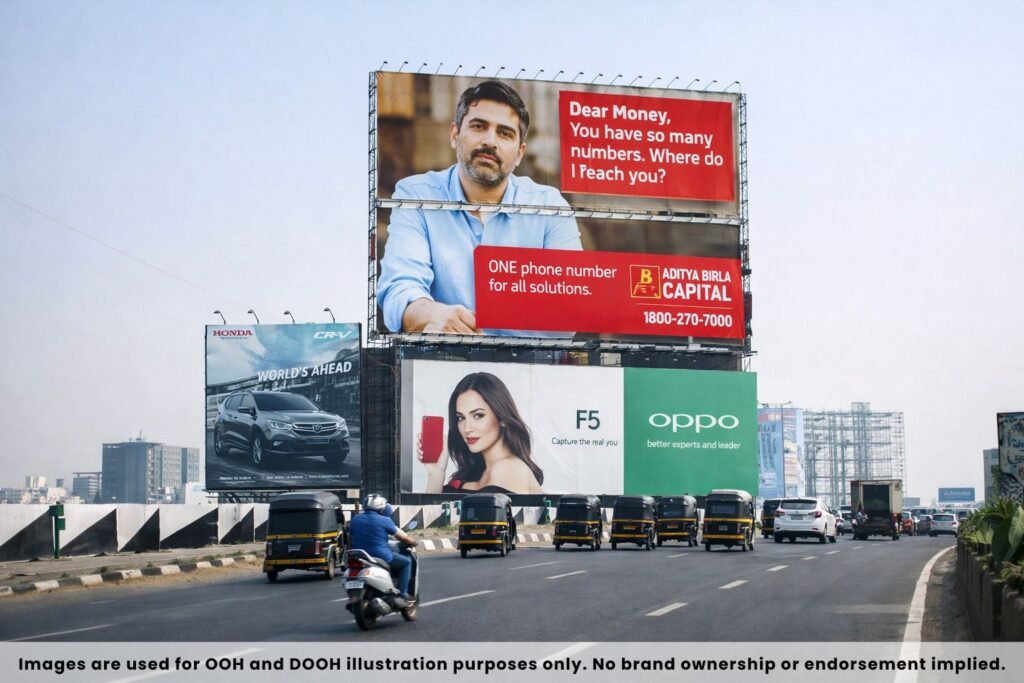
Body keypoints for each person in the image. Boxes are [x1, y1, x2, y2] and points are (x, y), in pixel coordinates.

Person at [377, 80, 582, 336]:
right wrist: (433, 315)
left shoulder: (550, 207)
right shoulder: (416, 195)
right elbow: (400, 289)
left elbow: (569, 313)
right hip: (440, 362)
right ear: (454, 135)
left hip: (530, 368)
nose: (490, 141)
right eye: (478, 126)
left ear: (519, 153)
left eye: (505, 133)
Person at [418, 372, 543, 494]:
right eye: (461, 418)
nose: (467, 428)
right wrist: (436, 474)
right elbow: (433, 513)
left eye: (478, 415)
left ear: (502, 418)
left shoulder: (509, 468)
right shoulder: (475, 473)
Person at [348, 493, 416, 601]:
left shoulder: (355, 519)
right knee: (406, 562)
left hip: (359, 555)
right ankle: (403, 593)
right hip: (380, 555)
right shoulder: (385, 520)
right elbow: (402, 538)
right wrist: (413, 541)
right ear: (381, 507)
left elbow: (351, 537)